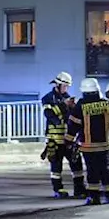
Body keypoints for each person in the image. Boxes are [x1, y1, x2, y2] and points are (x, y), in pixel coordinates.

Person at [40, 71, 85, 199]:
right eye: (64, 86)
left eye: (67, 86)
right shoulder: (48, 98)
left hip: (68, 139)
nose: (66, 89)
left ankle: (79, 189)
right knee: (56, 166)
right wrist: (64, 106)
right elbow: (50, 115)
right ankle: (58, 189)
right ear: (57, 85)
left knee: (76, 164)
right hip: (55, 139)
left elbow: (71, 118)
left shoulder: (68, 97)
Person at [72, 78, 109, 205]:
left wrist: (69, 142)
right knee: (105, 170)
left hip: (88, 146)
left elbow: (73, 125)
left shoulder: (80, 105)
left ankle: (94, 197)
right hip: (104, 145)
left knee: (92, 171)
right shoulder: (107, 103)